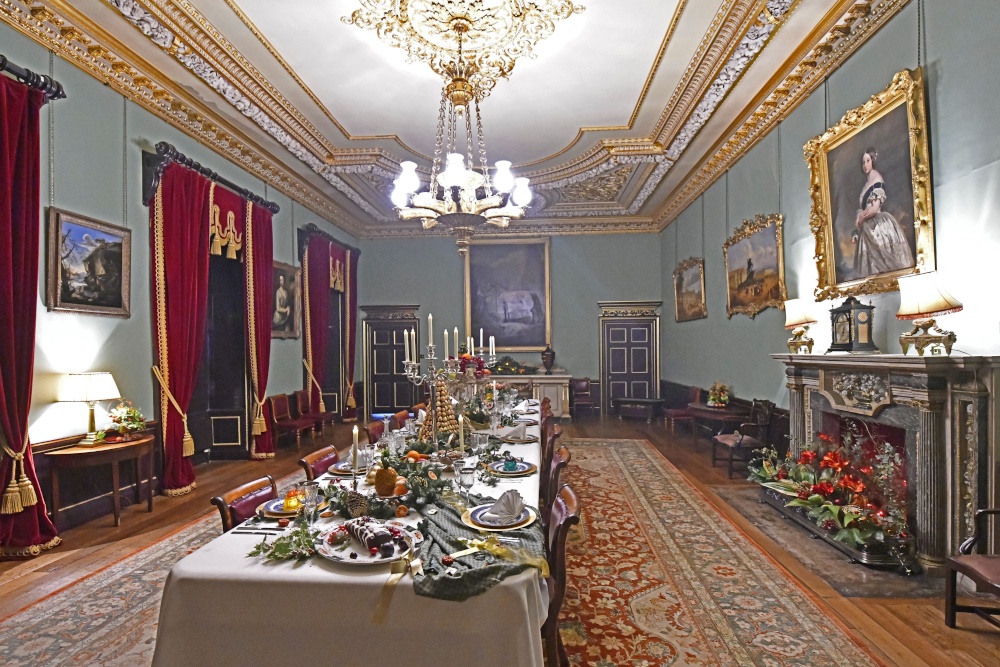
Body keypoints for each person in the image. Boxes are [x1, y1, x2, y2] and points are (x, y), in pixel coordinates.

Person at [852, 146, 914, 277]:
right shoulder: (866, 184)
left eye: (867, 161)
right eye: (863, 162)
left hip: (878, 225)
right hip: (867, 226)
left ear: (873, 161)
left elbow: (874, 208)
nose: (865, 165)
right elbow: (864, 208)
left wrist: (862, 218)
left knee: (883, 260)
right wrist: (859, 219)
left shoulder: (876, 179)